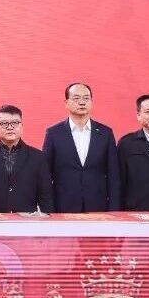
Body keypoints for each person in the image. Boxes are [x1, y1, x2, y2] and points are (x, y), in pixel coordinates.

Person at [42, 82, 120, 212]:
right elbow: (45, 174)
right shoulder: (54, 133)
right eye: (76, 98)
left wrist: (114, 209)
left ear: (91, 102)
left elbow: (114, 175)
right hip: (63, 206)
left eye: (86, 98)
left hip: (98, 206)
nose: (82, 102)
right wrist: (48, 209)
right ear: (66, 103)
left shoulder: (105, 133)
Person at [0, 105, 54, 213]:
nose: (10, 127)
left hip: (26, 220)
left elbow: (46, 197)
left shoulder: (38, 157)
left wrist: (49, 218)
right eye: (4, 123)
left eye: (15, 123)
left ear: (22, 126)